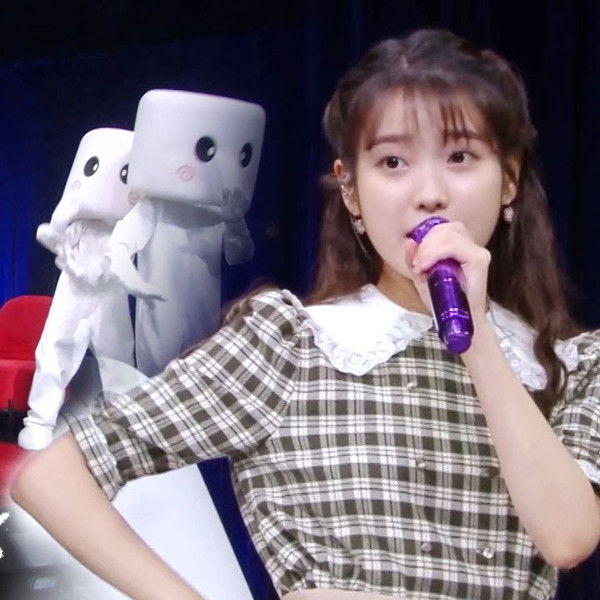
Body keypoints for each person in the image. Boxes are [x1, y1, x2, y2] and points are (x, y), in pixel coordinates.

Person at [10, 29, 600, 600]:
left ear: (509, 180)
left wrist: (476, 338)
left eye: (460, 156)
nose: (429, 193)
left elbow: (568, 537)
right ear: (352, 191)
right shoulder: (291, 344)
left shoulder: (571, 365)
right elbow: (55, 478)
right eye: (393, 162)